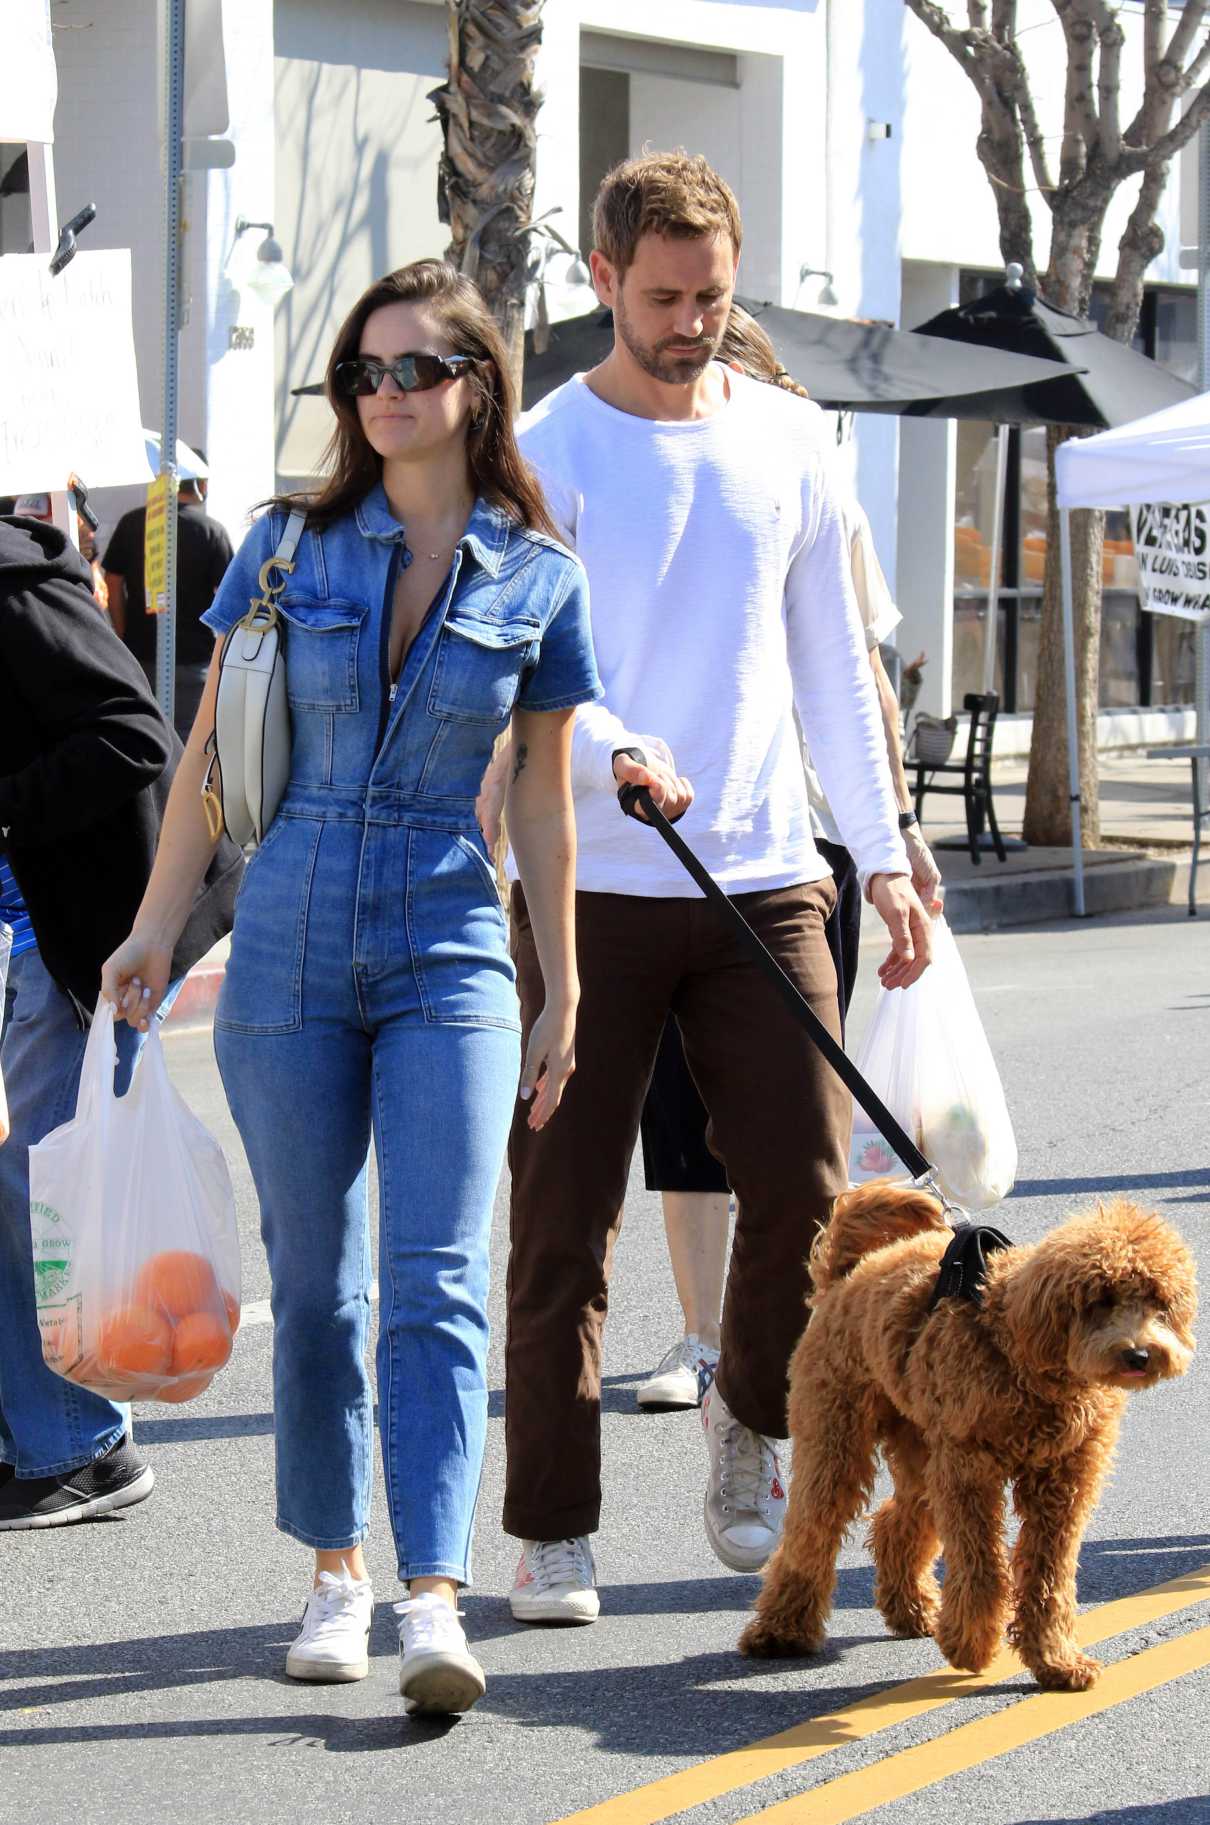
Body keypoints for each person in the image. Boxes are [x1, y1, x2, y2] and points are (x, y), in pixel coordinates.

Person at [102, 260, 600, 1717]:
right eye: (363, 375)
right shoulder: (278, 550)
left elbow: (552, 806)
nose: (385, 397)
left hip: (451, 942)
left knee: (437, 1281)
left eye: (414, 371)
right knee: (321, 1287)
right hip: (292, 940)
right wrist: (150, 931)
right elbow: (205, 762)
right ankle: (336, 1574)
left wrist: (560, 984)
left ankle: (433, 1598)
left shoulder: (541, 578)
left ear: (474, 387)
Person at [499, 151, 932, 1626]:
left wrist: (882, 852)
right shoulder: (548, 446)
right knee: (562, 1217)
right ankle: (552, 1529)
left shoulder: (793, 440)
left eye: (714, 297)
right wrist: (623, 750)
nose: (690, 322)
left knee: (813, 1199)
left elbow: (832, 666)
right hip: (588, 884)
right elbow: (533, 673)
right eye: (664, 296)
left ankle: (745, 1418)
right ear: (604, 280)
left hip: (760, 873)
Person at [0, 512, 242, 1530]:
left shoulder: (11, 584)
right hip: (41, 936)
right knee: (29, 1188)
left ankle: (75, 1445)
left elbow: (134, 733)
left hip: (75, 944)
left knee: (39, 1193)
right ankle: (45, 1430)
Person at [103, 461, 235, 740]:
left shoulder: (133, 522)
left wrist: (121, 632)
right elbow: (228, 595)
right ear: (202, 485)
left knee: (143, 736)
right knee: (187, 742)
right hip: (194, 655)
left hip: (140, 653)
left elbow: (112, 581)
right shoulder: (211, 530)